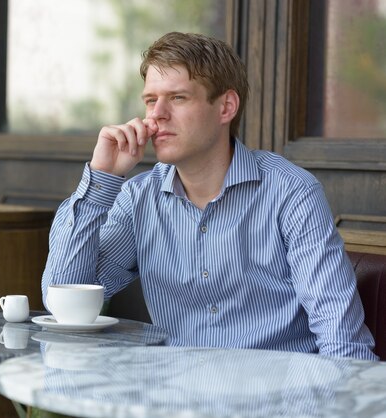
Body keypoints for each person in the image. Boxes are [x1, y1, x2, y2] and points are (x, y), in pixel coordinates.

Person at [41, 32, 378, 361]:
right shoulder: (138, 198)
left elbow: (342, 343)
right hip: (177, 398)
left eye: (177, 98)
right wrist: (102, 180)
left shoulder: (291, 194)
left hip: (273, 402)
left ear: (226, 107)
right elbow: (63, 301)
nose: (156, 114)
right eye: (150, 100)